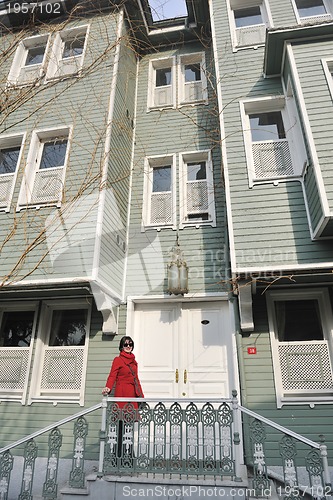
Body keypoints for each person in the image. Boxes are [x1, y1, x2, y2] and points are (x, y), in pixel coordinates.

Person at [102, 336, 144, 459]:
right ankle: (116, 456)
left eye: (130, 344)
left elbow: (136, 380)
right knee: (120, 426)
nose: (128, 346)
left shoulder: (134, 362)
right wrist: (108, 388)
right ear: (121, 346)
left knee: (129, 427)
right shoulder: (118, 360)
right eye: (126, 344)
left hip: (131, 395)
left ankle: (129, 456)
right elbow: (112, 376)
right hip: (122, 393)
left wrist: (141, 396)